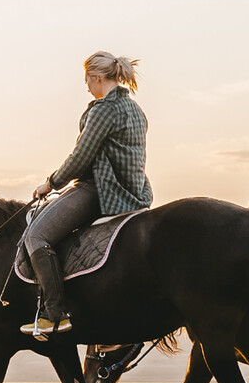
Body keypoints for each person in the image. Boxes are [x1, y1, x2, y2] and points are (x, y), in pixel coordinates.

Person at [20, 51, 153, 336]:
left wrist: (51, 183)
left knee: (35, 236)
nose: (87, 88)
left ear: (96, 77)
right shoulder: (135, 109)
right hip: (137, 192)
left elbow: (81, 157)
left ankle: (54, 314)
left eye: (87, 82)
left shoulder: (103, 109)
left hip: (101, 190)